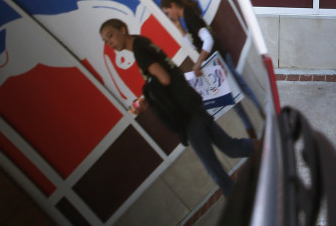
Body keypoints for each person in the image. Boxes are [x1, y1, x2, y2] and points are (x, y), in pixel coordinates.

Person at [99, 19, 254, 196]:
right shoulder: (143, 43)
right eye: (105, 41)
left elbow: (164, 79)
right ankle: (270, 147)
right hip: (192, 106)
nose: (109, 43)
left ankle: (240, 209)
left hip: (186, 116)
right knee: (232, 147)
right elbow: (165, 81)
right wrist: (148, 97)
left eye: (110, 36)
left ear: (123, 29)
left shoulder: (140, 51)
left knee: (215, 170)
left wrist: (147, 93)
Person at [160, 0, 263, 138]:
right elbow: (196, 44)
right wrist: (179, 28)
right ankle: (254, 130)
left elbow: (208, 39)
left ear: (173, 5)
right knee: (235, 97)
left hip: (219, 59)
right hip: (217, 61)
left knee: (238, 93)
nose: (169, 16)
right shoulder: (188, 17)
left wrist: (198, 63)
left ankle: (259, 124)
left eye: (167, 12)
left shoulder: (189, 15)